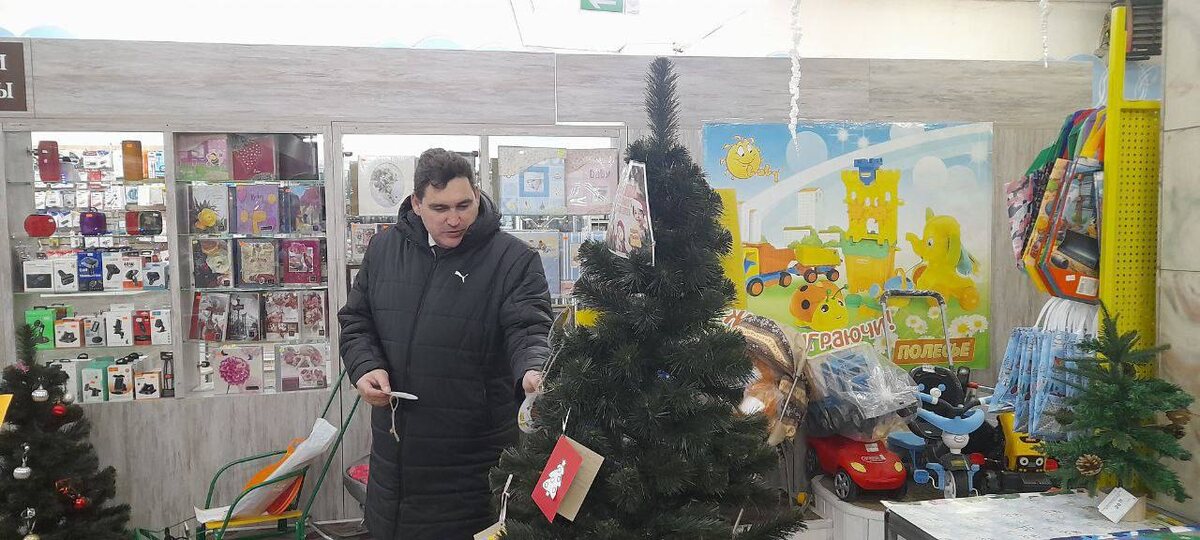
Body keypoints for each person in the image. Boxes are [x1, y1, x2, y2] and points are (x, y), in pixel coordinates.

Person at [339, 148, 551, 539]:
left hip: (471, 464)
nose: (454, 219)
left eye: (463, 205)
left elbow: (528, 328)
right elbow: (356, 321)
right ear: (416, 203)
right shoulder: (383, 250)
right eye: (440, 208)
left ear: (477, 196)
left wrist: (533, 369)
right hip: (393, 457)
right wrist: (365, 366)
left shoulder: (513, 260)